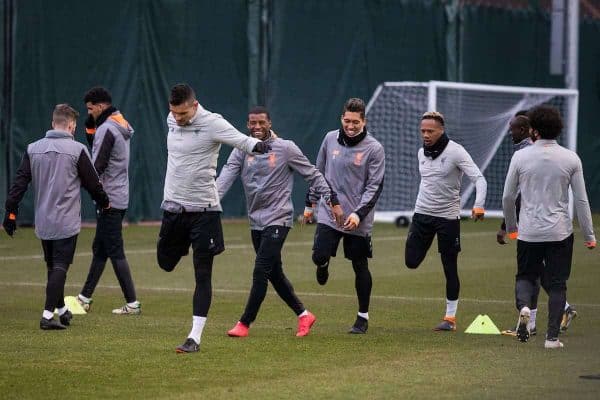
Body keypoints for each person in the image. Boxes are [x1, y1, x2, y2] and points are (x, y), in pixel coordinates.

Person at [157, 84, 271, 353]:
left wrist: (262, 145)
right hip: (173, 209)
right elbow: (173, 119)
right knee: (165, 263)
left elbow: (242, 141)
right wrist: (174, 116)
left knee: (203, 273)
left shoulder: (213, 123)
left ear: (194, 106)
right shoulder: (171, 119)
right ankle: (181, 244)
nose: (177, 118)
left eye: (183, 113)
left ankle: (194, 337)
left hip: (204, 212)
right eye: (174, 113)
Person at [217, 106, 343, 338]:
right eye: (252, 123)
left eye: (261, 123)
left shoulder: (285, 148)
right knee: (274, 274)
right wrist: (210, 201)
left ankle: (244, 323)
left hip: (279, 218)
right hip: (256, 221)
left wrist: (331, 199)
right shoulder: (242, 149)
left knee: (261, 270)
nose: (256, 127)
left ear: (270, 123)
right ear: (247, 125)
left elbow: (313, 174)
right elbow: (226, 176)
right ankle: (304, 314)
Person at [3, 104, 110, 330]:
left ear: (53, 123)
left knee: (53, 267)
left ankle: (62, 311)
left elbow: (19, 183)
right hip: (66, 221)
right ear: (71, 126)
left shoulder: (33, 149)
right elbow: (93, 183)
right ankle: (46, 316)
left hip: (43, 221)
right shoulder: (78, 149)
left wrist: (10, 213)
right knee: (60, 267)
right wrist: (105, 202)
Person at [502, 105, 595, 349]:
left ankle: (524, 308)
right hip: (559, 231)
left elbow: (508, 197)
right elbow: (582, 200)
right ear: (557, 129)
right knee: (557, 285)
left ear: (533, 130)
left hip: (529, 231)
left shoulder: (520, 156)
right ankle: (551, 338)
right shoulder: (571, 158)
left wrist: (512, 227)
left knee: (525, 276)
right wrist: (589, 235)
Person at [305, 97, 385, 334]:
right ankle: (323, 264)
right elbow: (317, 172)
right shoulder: (330, 139)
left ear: (364, 121)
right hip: (329, 213)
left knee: (359, 265)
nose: (350, 126)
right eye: (347, 121)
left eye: (355, 122)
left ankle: (362, 317)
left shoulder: (374, 148)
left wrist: (359, 215)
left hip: (357, 219)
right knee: (318, 255)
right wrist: (310, 205)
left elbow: (375, 186)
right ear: (342, 118)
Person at [405, 111, 487, 332]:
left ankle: (449, 319)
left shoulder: (456, 152)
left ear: (441, 130)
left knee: (449, 267)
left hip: (448, 218)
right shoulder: (421, 153)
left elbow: (479, 178)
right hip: (422, 215)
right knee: (411, 262)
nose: (425, 135)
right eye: (423, 130)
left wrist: (478, 205)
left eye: (430, 131)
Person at [75, 87, 140, 315]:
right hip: (119, 195)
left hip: (109, 198)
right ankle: (84, 297)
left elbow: (97, 166)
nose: (90, 112)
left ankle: (132, 303)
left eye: (91, 108)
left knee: (114, 249)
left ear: (100, 106)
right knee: (101, 248)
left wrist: (84, 184)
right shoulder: (119, 123)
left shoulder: (107, 128)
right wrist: (90, 129)